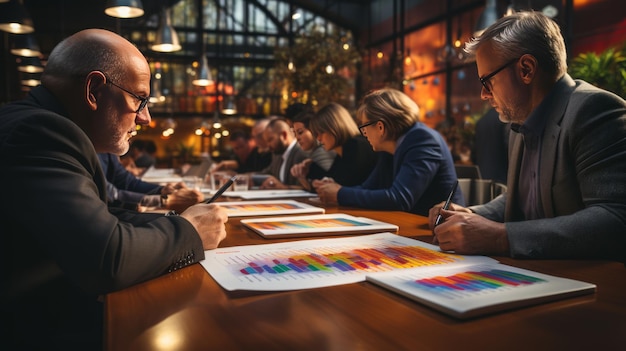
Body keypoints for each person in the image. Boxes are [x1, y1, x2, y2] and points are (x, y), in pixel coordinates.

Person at [0, 29, 228, 349]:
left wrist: (177, 219)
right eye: (140, 99)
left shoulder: (39, 123)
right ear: (93, 90)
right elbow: (107, 259)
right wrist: (189, 230)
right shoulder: (39, 132)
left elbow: (101, 216)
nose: (146, 118)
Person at [428, 11, 626, 261]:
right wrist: (470, 214)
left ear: (526, 69)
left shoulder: (594, 109)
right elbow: (520, 198)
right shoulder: (521, 120)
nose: (483, 95)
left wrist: (500, 237)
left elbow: (615, 218)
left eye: (487, 81)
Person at [314, 89, 462, 216]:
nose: (363, 133)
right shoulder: (390, 146)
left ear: (380, 127)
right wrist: (336, 189)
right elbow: (369, 187)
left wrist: (340, 194)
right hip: (410, 224)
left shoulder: (422, 139)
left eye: (364, 126)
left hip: (438, 231)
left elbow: (399, 199)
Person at [302, 102, 377, 188]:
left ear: (334, 127)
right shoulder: (342, 150)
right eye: (315, 134)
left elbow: (347, 185)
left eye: (321, 132)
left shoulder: (355, 146)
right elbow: (335, 180)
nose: (318, 138)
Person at [99, 153, 203, 213]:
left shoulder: (105, 149)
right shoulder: (87, 148)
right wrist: (163, 201)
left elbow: (128, 182)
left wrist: (163, 191)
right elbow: (108, 193)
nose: (146, 120)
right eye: (137, 112)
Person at [289, 111, 337, 190]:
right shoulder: (313, 153)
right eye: (295, 134)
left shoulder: (323, 151)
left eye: (300, 132)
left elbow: (334, 184)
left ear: (314, 130)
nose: (297, 138)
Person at [259, 118, 308, 189]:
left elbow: (307, 188)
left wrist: (283, 187)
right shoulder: (277, 155)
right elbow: (267, 173)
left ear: (284, 135)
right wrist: (245, 177)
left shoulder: (301, 153)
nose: (268, 145)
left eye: (270, 140)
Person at [472, 108, 509, 183]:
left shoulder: (481, 121)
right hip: (503, 175)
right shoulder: (505, 120)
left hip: (483, 175)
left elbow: (474, 152)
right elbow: (510, 149)